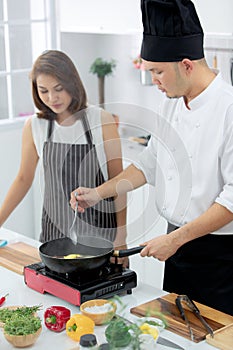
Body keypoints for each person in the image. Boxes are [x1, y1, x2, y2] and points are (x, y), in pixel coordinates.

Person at [70, 0, 233, 315]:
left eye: (158, 72)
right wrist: (97, 194)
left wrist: (176, 240)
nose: (154, 80)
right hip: (177, 247)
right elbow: (149, 164)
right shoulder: (171, 103)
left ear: (186, 64)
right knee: (174, 334)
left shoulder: (228, 110)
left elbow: (232, 200)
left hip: (220, 259)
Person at [0, 50, 128, 265]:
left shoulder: (101, 119)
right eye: (44, 91)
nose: (52, 98)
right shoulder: (35, 125)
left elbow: (119, 182)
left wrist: (121, 238)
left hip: (101, 238)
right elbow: (23, 178)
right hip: (54, 238)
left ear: (72, 84)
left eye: (58, 89)